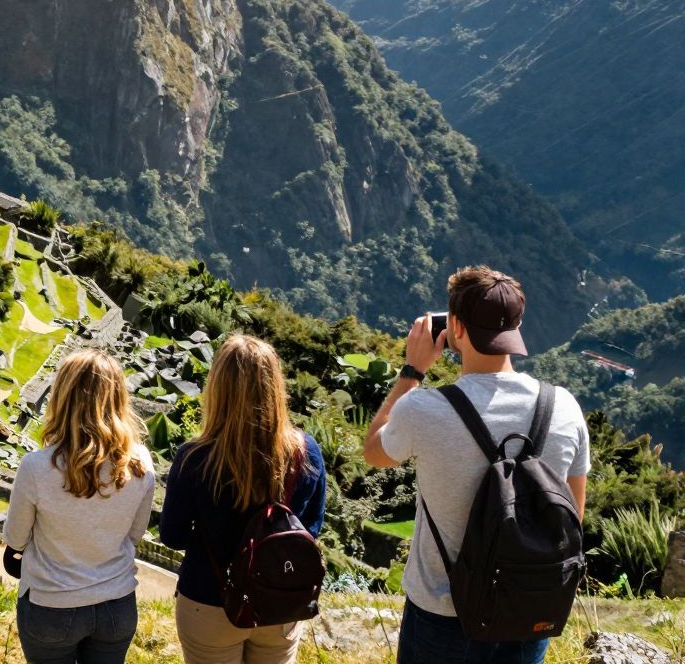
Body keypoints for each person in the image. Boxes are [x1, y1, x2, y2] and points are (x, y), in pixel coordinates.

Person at [364, 267, 589, 664]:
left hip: (442, 616)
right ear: (516, 328)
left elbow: (374, 452)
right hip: (527, 610)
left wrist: (413, 370)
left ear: (455, 327)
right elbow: (573, 517)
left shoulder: (425, 409)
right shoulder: (565, 408)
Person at [159, 335, 326, 664]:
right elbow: (311, 530)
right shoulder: (306, 453)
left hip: (208, 601)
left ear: (218, 387)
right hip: (278, 601)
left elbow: (172, 536)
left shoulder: (195, 458)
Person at [2, 350, 155, 664]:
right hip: (116, 603)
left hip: (51, 605)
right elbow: (135, 534)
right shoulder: (140, 463)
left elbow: (16, 538)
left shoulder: (36, 466)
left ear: (62, 396)